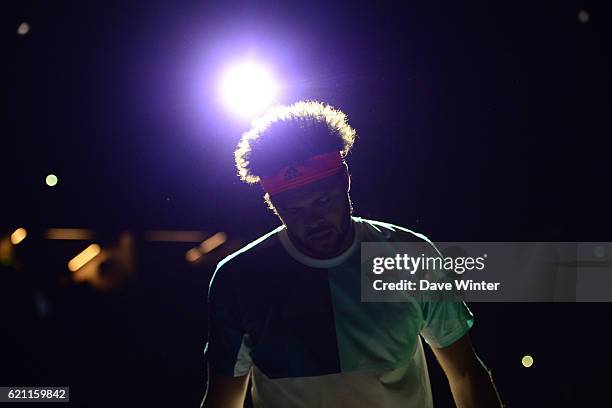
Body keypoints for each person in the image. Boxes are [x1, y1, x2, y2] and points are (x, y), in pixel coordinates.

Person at [201, 101, 502, 407]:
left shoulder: (411, 257)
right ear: (272, 204)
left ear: (344, 179)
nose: (312, 220)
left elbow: (466, 374)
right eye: (293, 210)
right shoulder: (238, 279)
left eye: (322, 201)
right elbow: (223, 400)